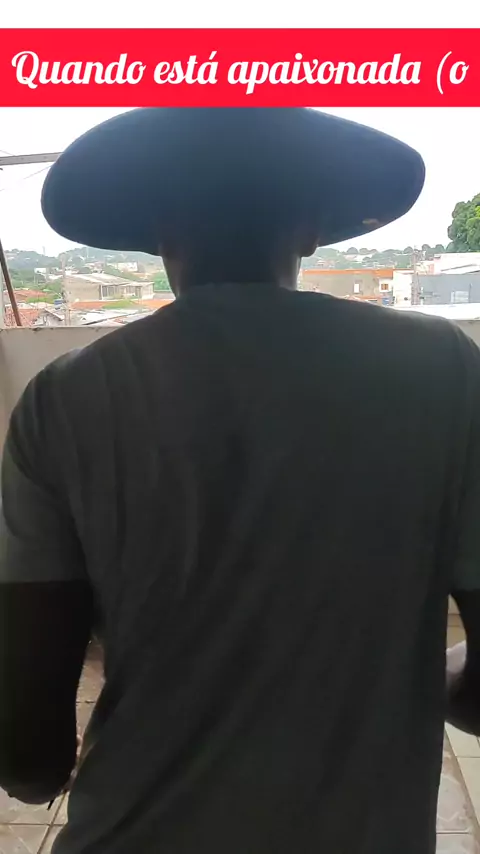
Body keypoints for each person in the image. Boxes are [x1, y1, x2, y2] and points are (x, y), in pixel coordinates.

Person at [0, 107, 478, 854]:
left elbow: (27, 760)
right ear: (312, 229)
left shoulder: (64, 399)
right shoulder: (445, 370)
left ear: (158, 232)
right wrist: (426, 677)